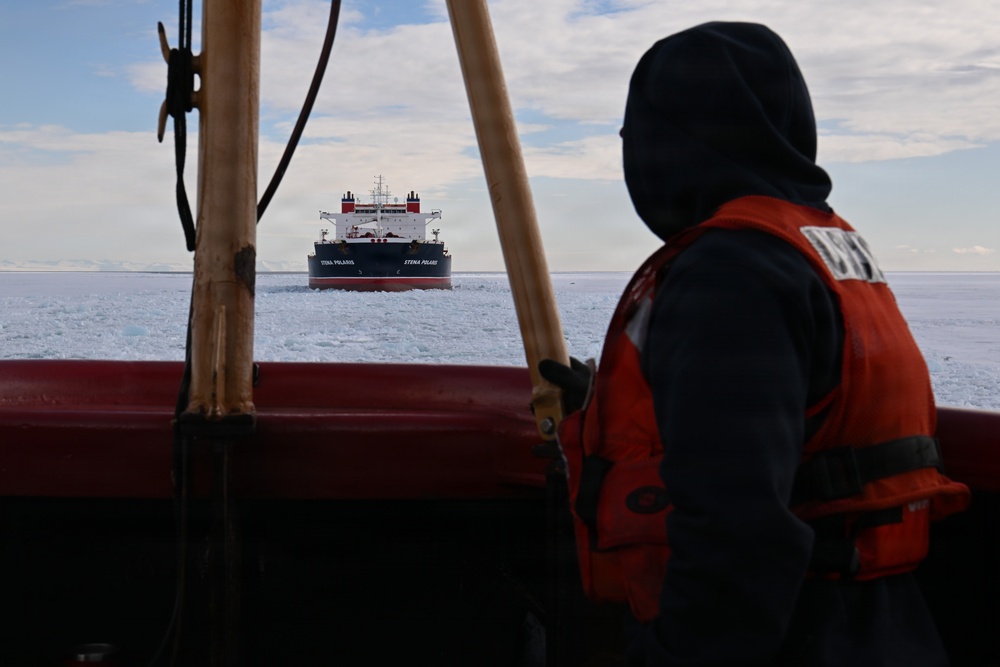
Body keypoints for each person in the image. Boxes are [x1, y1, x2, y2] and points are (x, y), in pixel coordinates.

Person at [540, 22, 971, 666]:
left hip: (789, 635)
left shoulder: (729, 275)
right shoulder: (817, 250)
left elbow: (739, 550)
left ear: (674, 141)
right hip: (879, 626)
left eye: (635, 135)